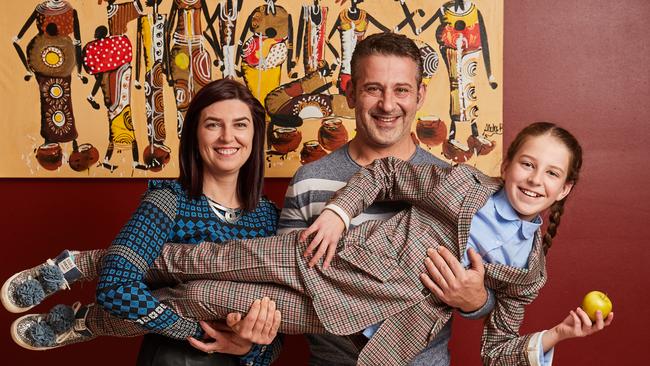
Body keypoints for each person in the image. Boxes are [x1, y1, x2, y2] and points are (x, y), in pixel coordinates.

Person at [4, 122, 614, 366]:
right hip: (322, 254)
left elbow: (499, 352)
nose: (534, 180)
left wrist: (557, 334)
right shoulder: (461, 182)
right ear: (508, 164)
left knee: (203, 298)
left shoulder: (527, 272)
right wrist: (340, 215)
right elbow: (388, 172)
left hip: (348, 312)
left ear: (565, 190)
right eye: (527, 164)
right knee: (193, 258)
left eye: (551, 174)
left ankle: (87, 319)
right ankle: (80, 263)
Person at [2, 78, 283, 365]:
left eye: (240, 124)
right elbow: (116, 286)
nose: (227, 137)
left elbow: (279, 334)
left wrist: (245, 348)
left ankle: (79, 284)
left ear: (255, 134)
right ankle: (74, 294)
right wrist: (199, 331)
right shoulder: (168, 202)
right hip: (174, 358)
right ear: (195, 135)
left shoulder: (268, 218)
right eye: (213, 124)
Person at [277, 32, 492, 366]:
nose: (388, 105)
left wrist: (476, 299)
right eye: (373, 89)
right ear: (350, 94)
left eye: (401, 90)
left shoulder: (453, 185)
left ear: (420, 95)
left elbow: (492, 295)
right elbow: (283, 277)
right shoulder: (308, 180)